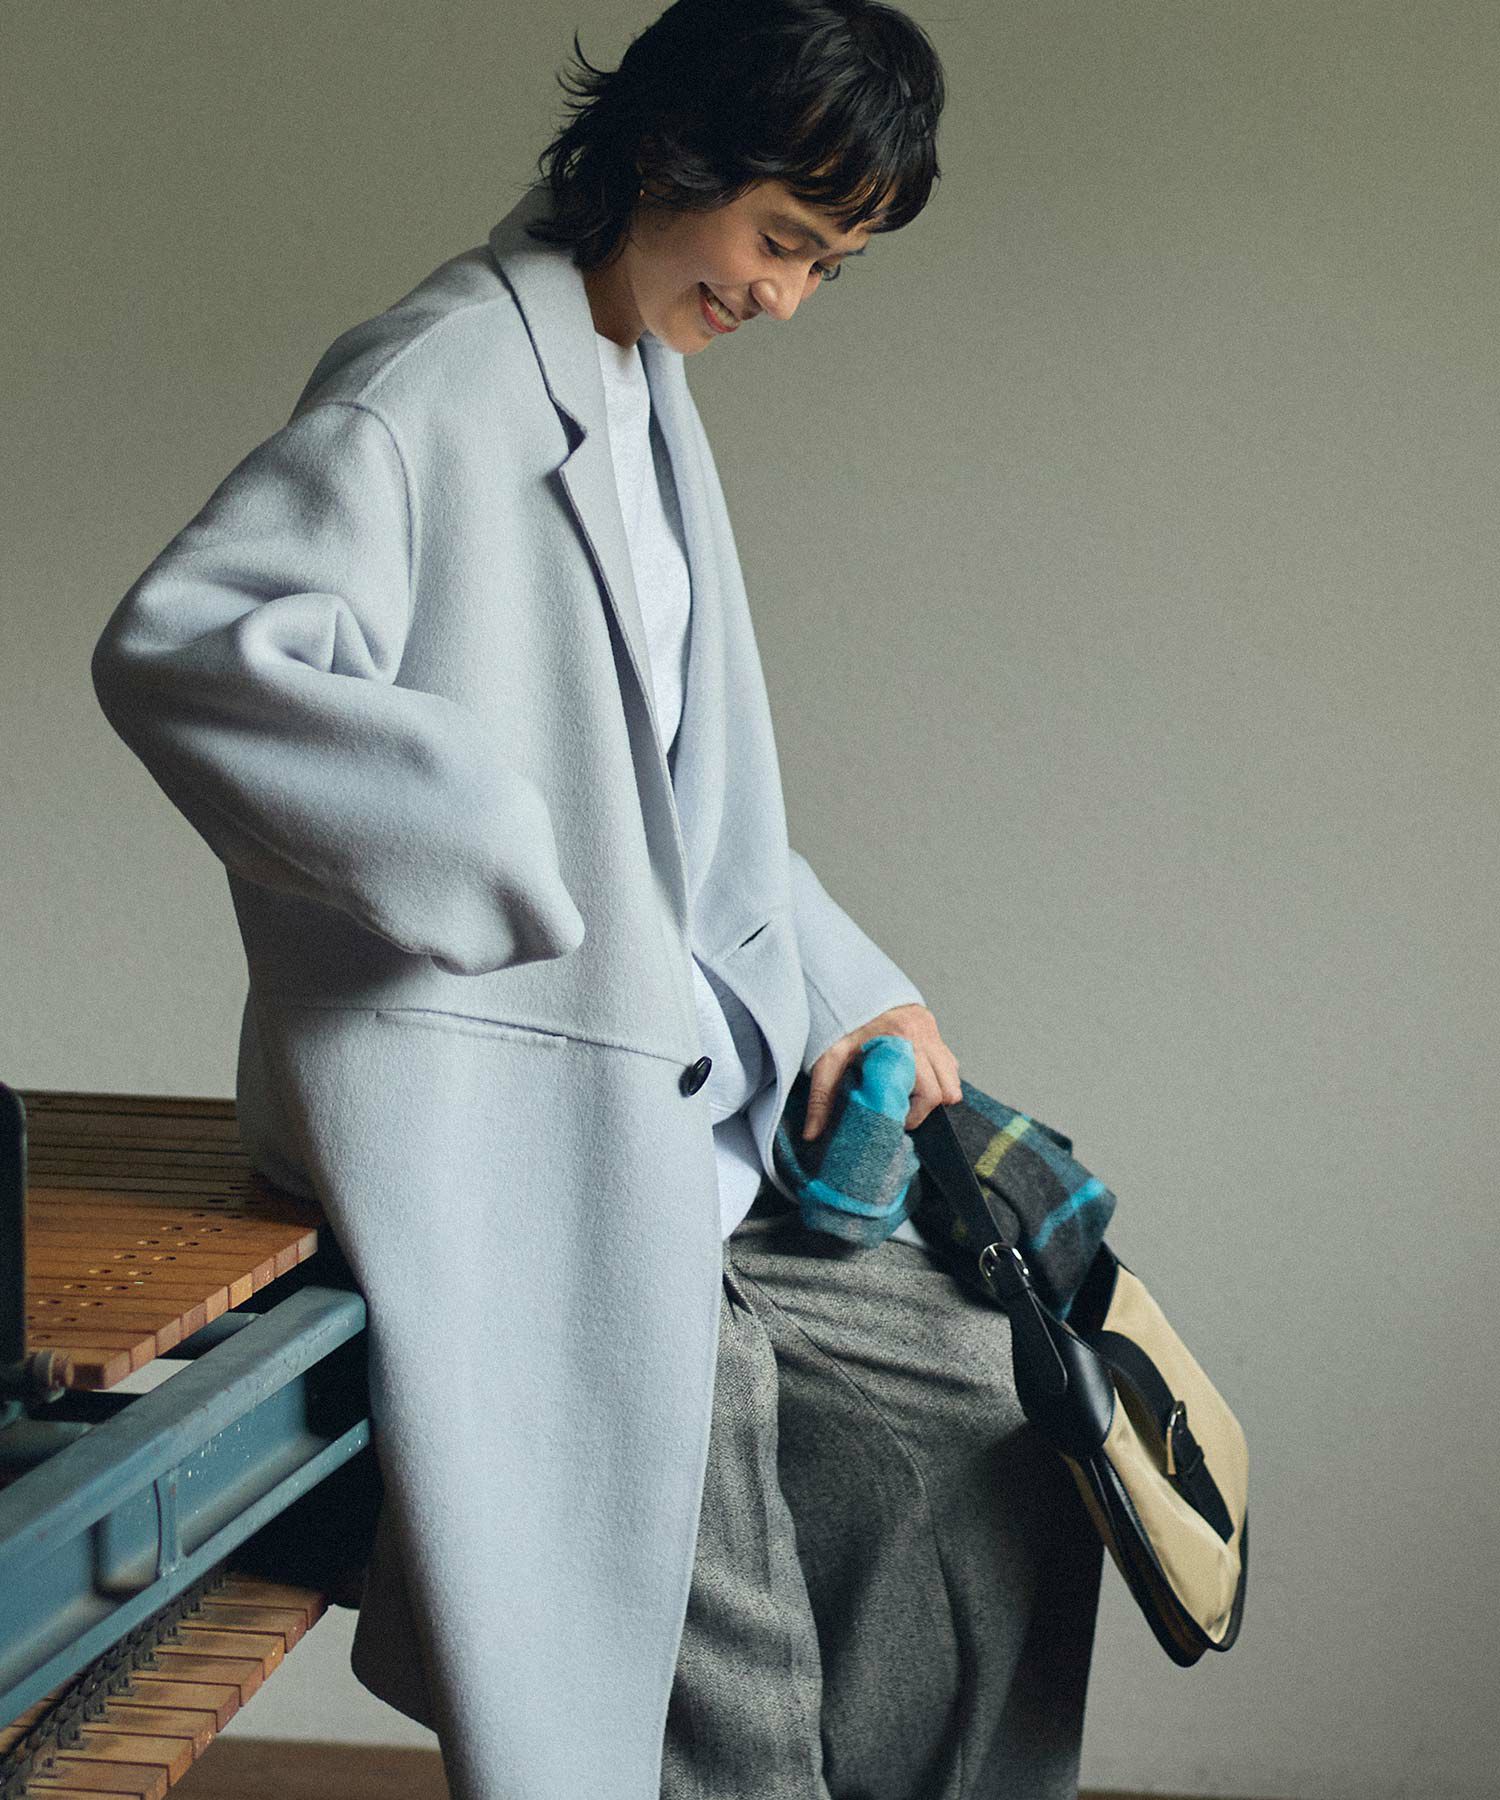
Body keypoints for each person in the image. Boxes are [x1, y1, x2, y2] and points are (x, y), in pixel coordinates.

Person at [90, 2, 1103, 1796]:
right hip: (518, 1130)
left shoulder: (639, 388)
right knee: (714, 1642)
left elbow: (686, 810)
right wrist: (489, 849)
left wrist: (855, 989)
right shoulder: (436, 378)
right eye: (781, 238)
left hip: (687, 1114)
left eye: (830, 265)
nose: (786, 298)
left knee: (996, 1412)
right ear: (667, 152)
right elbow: (187, 650)